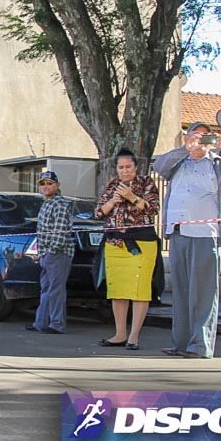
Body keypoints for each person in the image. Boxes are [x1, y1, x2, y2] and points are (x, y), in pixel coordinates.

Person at [153, 121, 221, 358]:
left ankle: (200, 346)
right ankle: (181, 343)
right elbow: (159, 166)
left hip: (205, 235)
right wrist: (184, 149)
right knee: (180, 291)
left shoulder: (220, 164)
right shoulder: (177, 163)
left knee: (204, 293)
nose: (199, 141)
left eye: (205, 137)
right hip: (178, 233)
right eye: (194, 136)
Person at [93, 148, 161, 351]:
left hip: (141, 244)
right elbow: (97, 213)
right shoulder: (112, 185)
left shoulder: (146, 183)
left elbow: (153, 209)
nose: (124, 171)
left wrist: (132, 196)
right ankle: (120, 333)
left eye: (128, 167)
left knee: (140, 290)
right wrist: (113, 200)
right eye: (121, 167)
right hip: (115, 244)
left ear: (136, 167)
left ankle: (134, 336)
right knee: (118, 290)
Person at [25, 171, 74, 335]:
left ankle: (57, 324)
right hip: (46, 254)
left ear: (57, 185)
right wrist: (41, 254)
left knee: (56, 290)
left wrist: (51, 252)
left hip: (58, 254)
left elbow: (60, 232)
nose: (46, 186)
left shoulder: (59, 204)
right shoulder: (46, 203)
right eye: (43, 184)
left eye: (50, 183)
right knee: (45, 289)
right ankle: (40, 322)